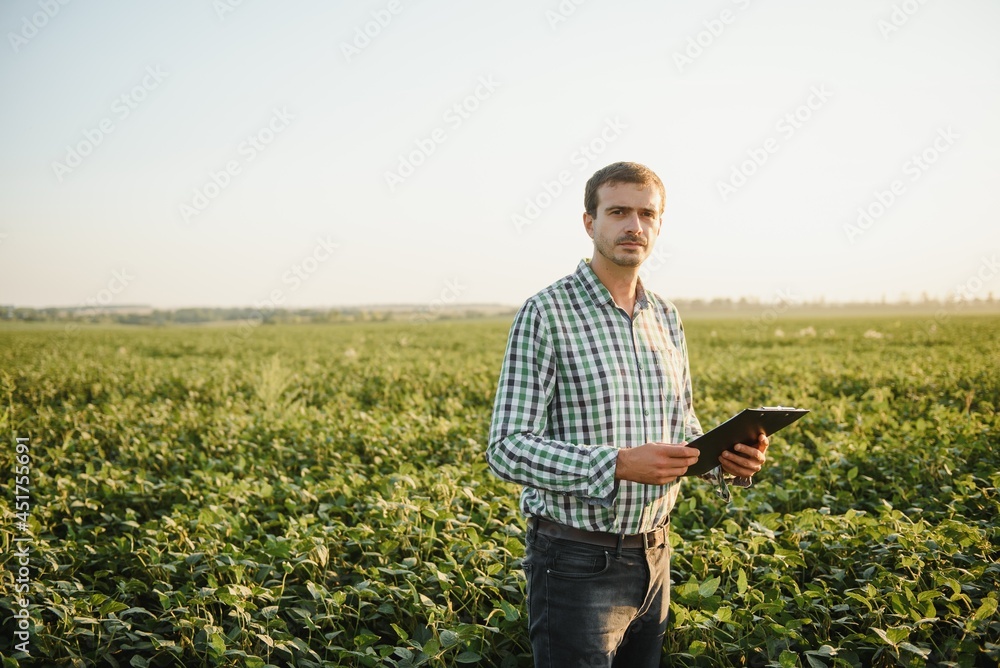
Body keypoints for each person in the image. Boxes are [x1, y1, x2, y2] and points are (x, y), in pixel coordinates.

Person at [487, 161, 768, 667]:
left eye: (647, 214)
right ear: (590, 223)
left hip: (656, 553)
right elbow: (507, 448)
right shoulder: (546, 312)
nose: (633, 226)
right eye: (617, 211)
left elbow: (682, 426)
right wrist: (615, 463)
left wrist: (724, 457)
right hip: (575, 560)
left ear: (659, 225)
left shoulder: (666, 315)